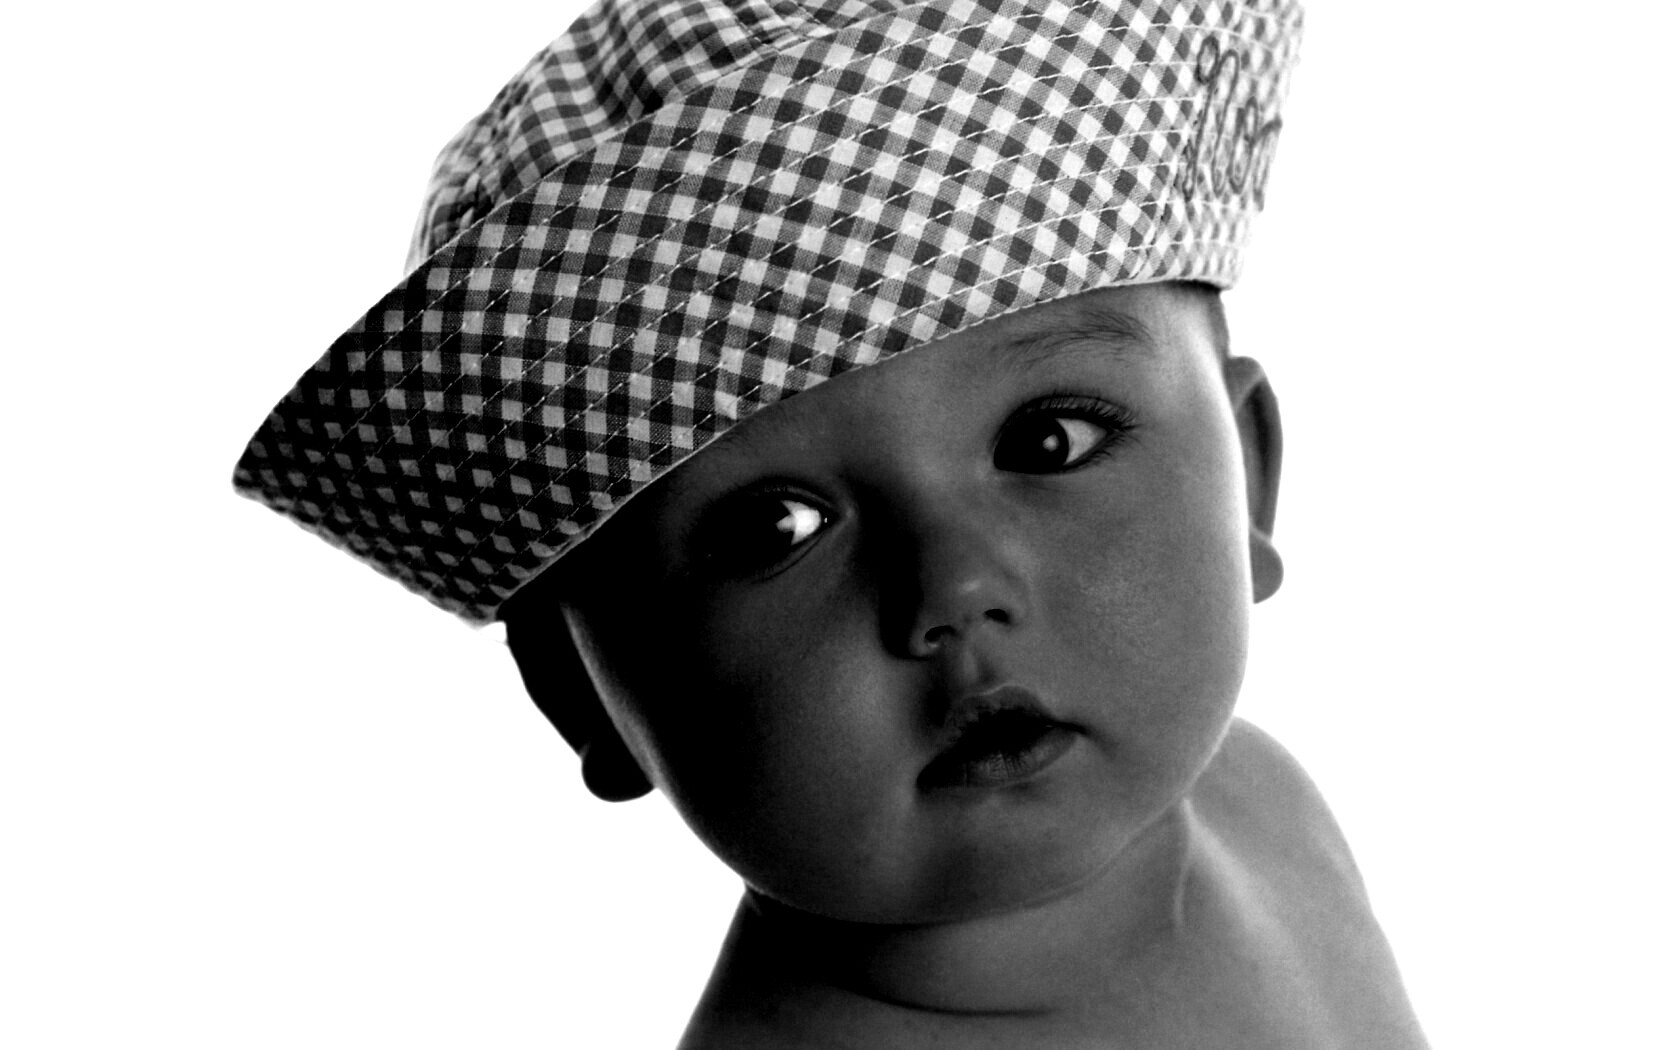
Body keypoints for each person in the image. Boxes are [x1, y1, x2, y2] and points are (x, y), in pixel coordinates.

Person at [236, 0, 1429, 1043]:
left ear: (1250, 475)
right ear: (578, 690)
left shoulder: (1265, 805)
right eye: (776, 529)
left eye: (1048, 441)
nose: (954, 587)